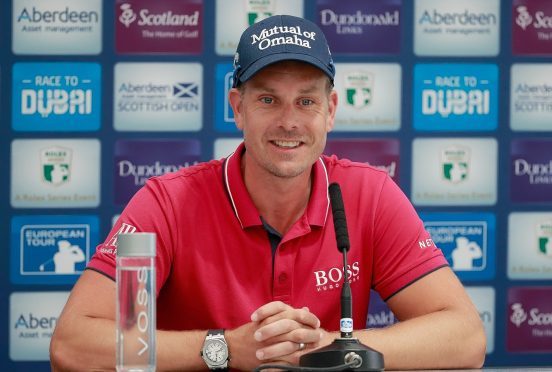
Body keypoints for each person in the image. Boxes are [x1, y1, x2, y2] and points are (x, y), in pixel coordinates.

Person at [50, 15, 485, 371]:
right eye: (268, 101)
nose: (289, 122)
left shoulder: (369, 194)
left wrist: (327, 346)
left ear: (330, 110)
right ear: (237, 107)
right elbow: (75, 344)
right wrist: (223, 349)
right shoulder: (164, 203)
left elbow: (465, 337)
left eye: (307, 102)